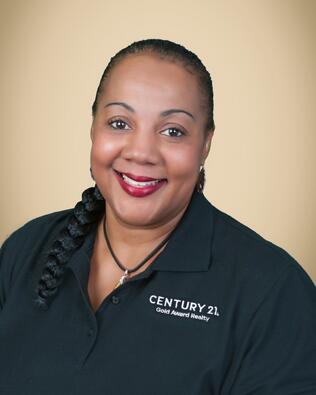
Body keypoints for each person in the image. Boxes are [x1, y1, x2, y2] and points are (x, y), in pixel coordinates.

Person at [0, 38, 315, 394]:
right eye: (119, 123)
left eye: (173, 131)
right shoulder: (25, 250)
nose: (141, 152)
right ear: (93, 129)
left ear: (206, 145)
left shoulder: (274, 292)